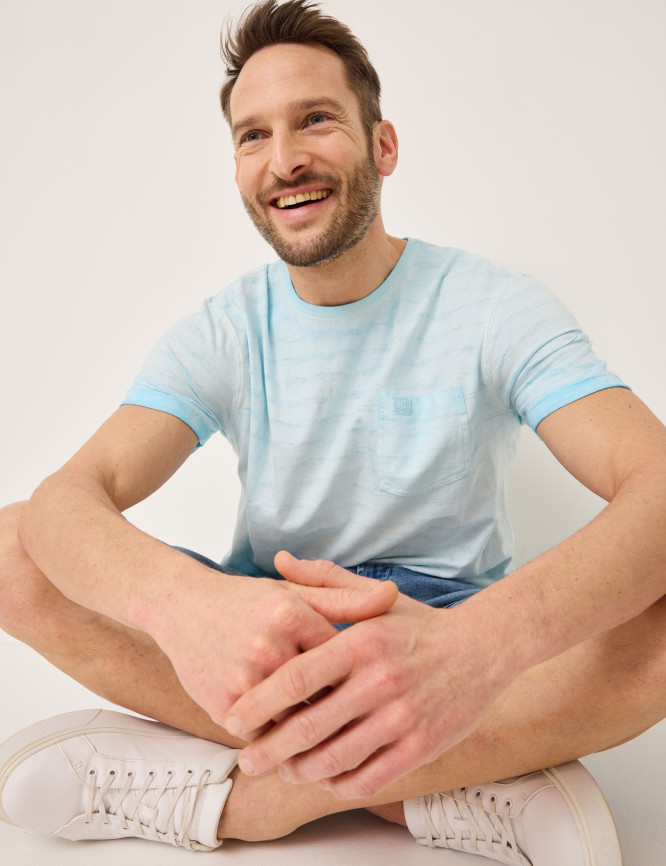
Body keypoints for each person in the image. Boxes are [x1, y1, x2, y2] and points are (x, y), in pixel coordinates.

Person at [0, 0, 665, 862]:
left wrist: (476, 651)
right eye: (254, 135)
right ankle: (446, 781)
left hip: (447, 629)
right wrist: (186, 608)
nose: (285, 160)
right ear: (237, 167)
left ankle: (247, 802)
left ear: (383, 145)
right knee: (12, 547)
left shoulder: (493, 306)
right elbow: (66, 502)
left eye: (316, 119)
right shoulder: (227, 328)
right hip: (268, 635)